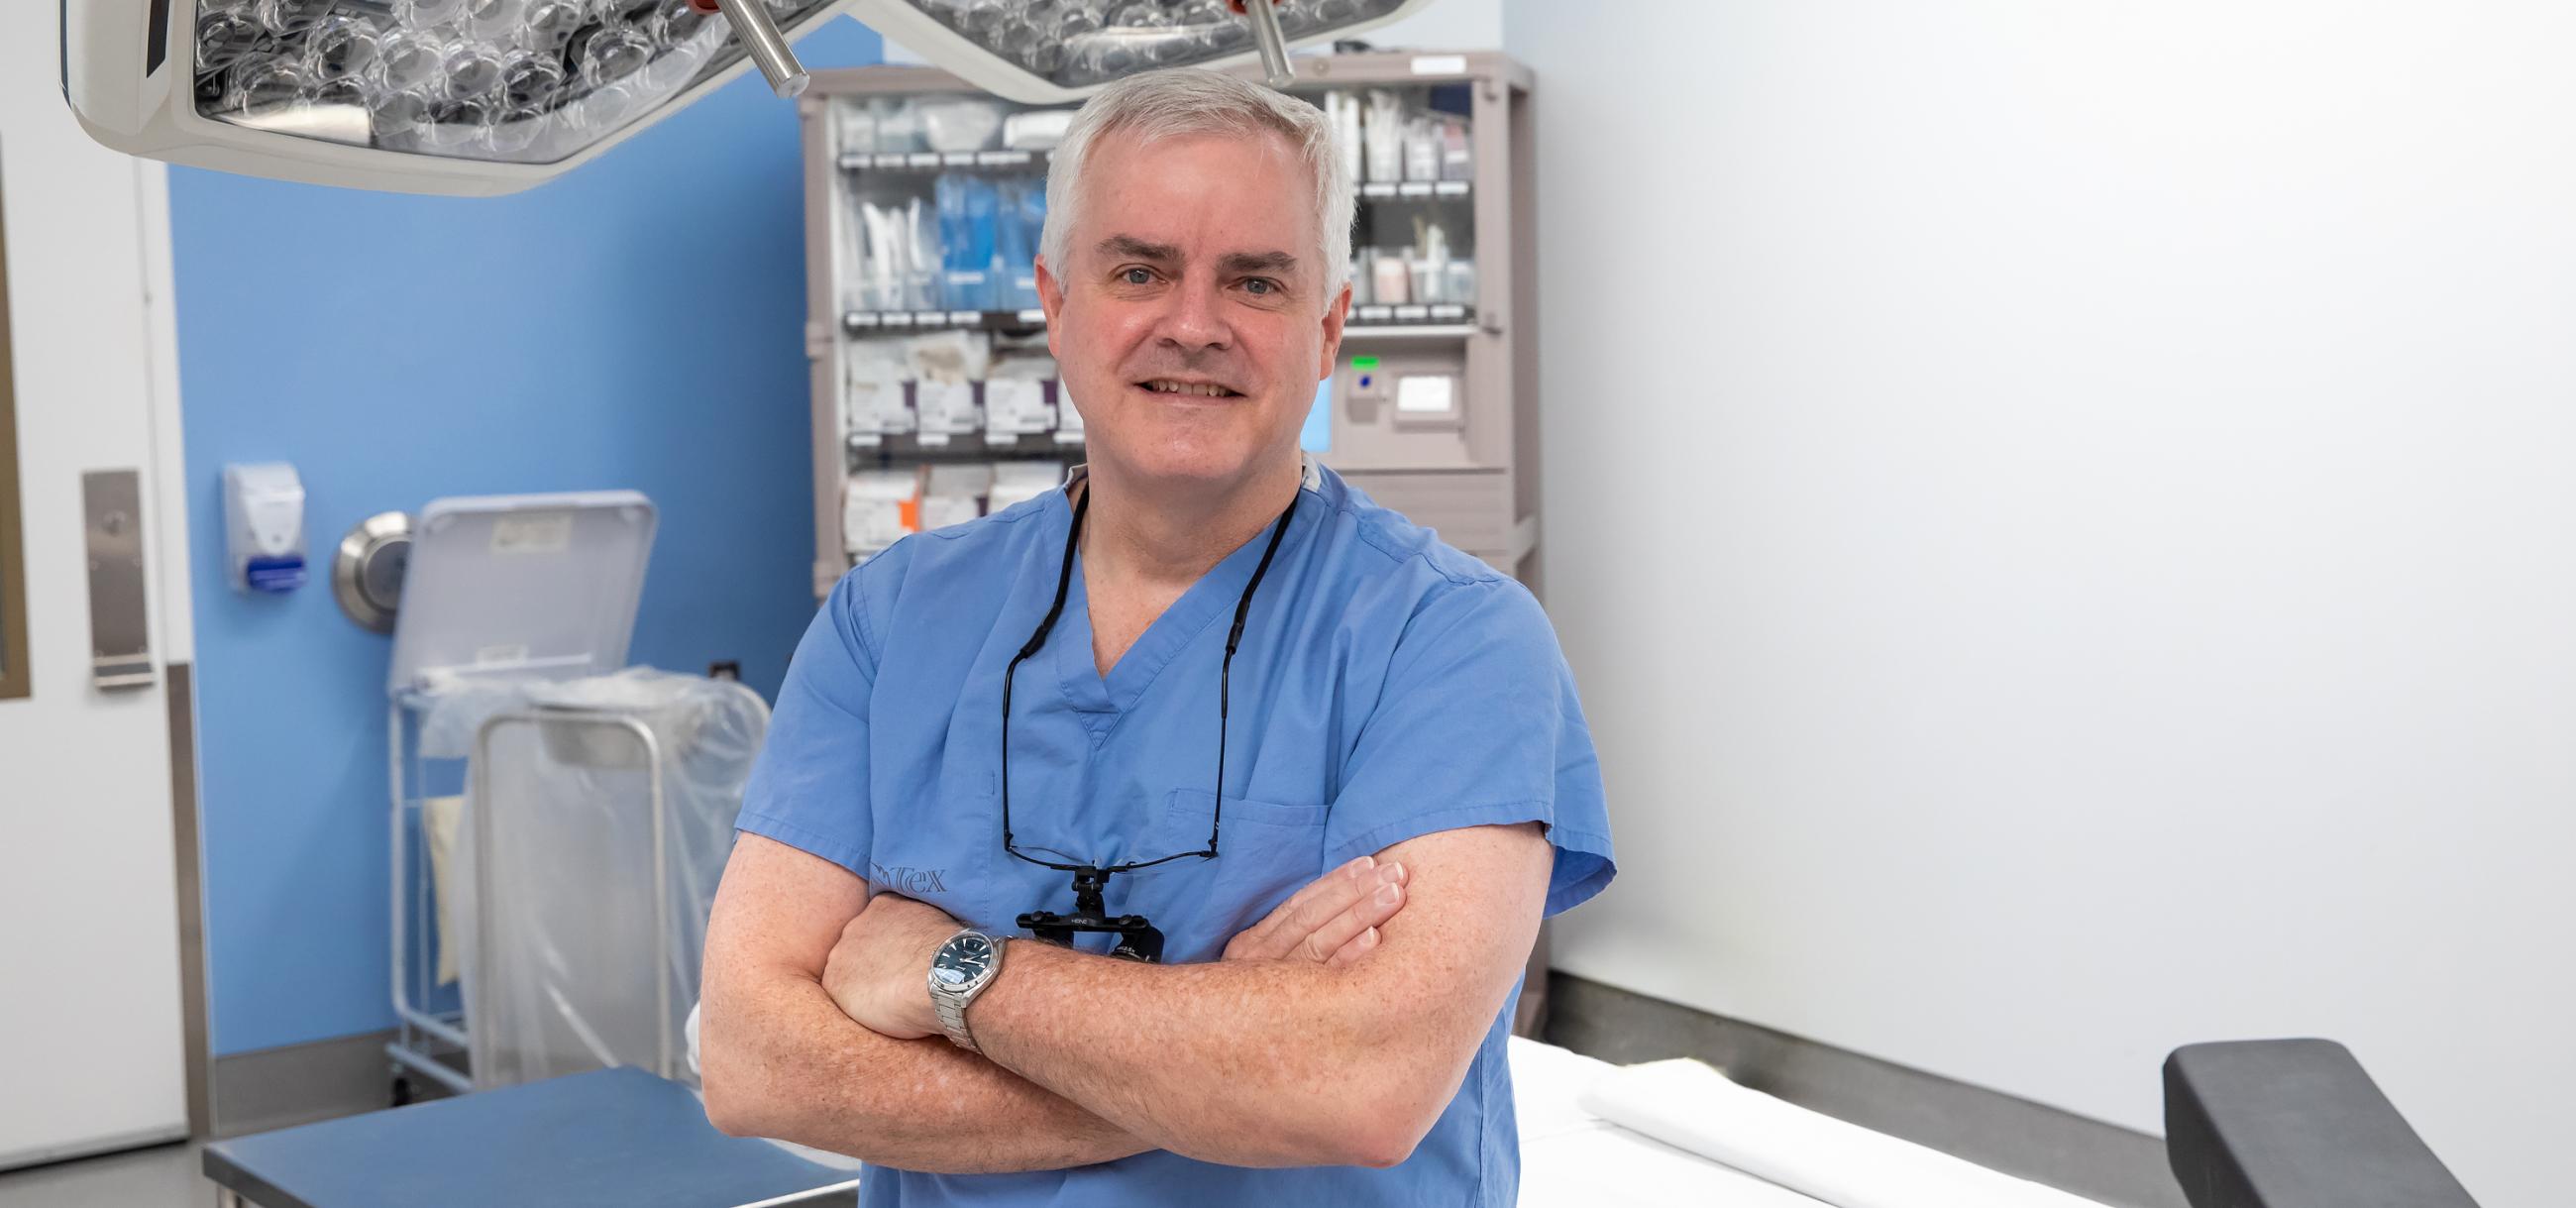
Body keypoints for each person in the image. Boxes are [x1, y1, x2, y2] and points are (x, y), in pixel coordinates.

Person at [698, 66, 1613, 1206]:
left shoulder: (1453, 640)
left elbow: (1361, 1087)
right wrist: (1228, 1050)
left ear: (1328, 328)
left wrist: (948, 972)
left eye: (1255, 281)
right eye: (1138, 270)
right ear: (1056, 303)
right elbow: (750, 1060)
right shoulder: (889, 621)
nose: (1193, 324)